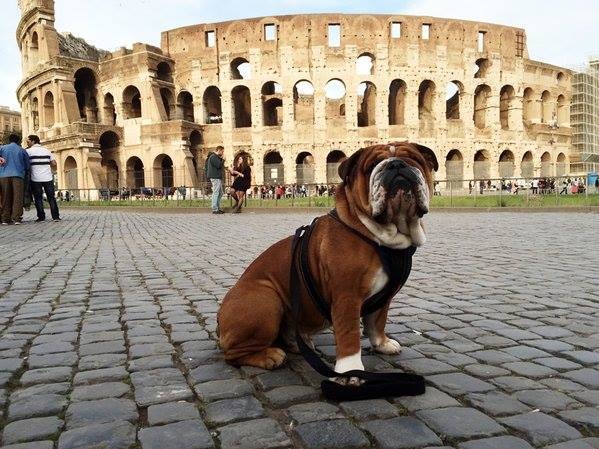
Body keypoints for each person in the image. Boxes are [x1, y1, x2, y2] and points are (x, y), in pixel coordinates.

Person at [26, 135, 61, 222]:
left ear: (33, 141)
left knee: (38, 198)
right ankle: (55, 216)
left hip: (35, 178)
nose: (27, 143)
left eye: (28, 141)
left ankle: (41, 217)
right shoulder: (47, 151)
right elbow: (54, 163)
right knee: (51, 198)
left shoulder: (28, 151)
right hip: (48, 177)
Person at [0, 134, 30, 225]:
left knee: (5, 197)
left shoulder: (2, 148)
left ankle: (5, 218)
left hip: (3, 175)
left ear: (9, 140)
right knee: (18, 197)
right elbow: (27, 166)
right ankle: (16, 218)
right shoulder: (22, 150)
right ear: (19, 141)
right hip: (18, 175)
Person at [207, 145, 225, 214]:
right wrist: (223, 159)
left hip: (217, 177)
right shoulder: (213, 157)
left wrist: (221, 159)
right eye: (222, 152)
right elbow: (219, 165)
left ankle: (217, 207)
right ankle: (215, 209)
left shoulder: (216, 157)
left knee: (220, 193)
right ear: (219, 150)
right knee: (216, 192)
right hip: (215, 177)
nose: (222, 153)